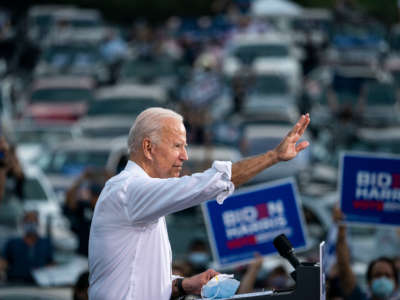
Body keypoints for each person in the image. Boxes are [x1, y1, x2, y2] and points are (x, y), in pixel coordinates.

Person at [88, 107, 310, 300]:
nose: (184, 156)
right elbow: (204, 185)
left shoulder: (142, 197)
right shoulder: (128, 191)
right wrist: (273, 157)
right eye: (177, 146)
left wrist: (183, 285)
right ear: (148, 148)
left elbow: (139, 282)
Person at [334, 207, 399, 300]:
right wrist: (341, 231)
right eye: (377, 275)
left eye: (388, 275)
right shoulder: (360, 297)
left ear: (396, 284)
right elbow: (343, 267)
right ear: (369, 282)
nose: (382, 280)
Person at [0, 210, 53, 283]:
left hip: (39, 283)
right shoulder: (13, 243)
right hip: (15, 282)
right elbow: (3, 262)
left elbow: (50, 263)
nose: (31, 223)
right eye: (28, 221)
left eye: (34, 221)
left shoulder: (46, 243)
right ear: (23, 224)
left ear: (38, 223)